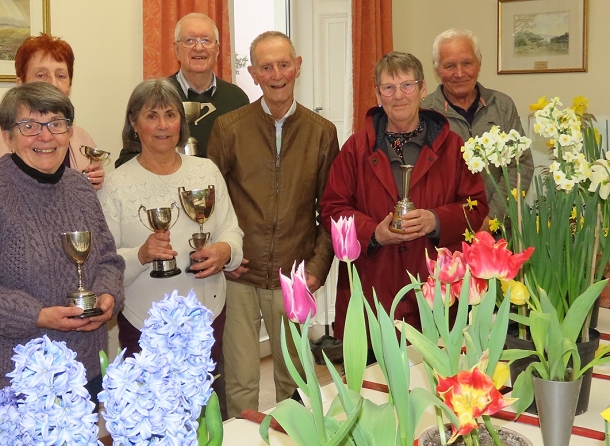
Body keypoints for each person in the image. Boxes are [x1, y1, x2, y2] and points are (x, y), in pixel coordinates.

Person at [0, 82, 125, 414]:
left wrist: (108, 295)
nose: (45, 136)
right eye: (29, 126)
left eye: (56, 123)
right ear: (8, 136)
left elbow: (108, 259)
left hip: (84, 368)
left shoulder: (80, 188)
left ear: (69, 133)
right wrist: (36, 316)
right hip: (7, 377)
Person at [207, 31, 339, 418]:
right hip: (239, 278)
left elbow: (330, 210)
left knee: (296, 383)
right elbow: (210, 205)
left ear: (297, 67)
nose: (277, 74)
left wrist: (316, 268)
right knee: (241, 384)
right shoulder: (229, 129)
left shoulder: (322, 132)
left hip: (294, 278)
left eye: (284, 64)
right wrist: (227, 256)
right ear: (253, 73)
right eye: (266, 67)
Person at [98, 78, 243, 416]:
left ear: (182, 121)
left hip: (206, 313)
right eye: (151, 116)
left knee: (202, 414)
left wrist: (224, 251)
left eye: (170, 115)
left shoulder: (205, 170)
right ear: (134, 124)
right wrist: (141, 254)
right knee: (151, 416)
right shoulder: (116, 184)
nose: (163, 125)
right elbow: (104, 262)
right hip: (142, 321)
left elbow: (231, 231)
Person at [320, 51, 488, 339]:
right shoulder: (356, 148)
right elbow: (332, 209)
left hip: (437, 288)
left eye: (407, 85)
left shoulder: (452, 146)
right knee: (374, 381)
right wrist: (374, 233)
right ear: (377, 95)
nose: (399, 96)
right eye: (389, 87)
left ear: (423, 89)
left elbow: (476, 207)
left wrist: (436, 220)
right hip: (373, 287)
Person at [0, 33, 105, 190]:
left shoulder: (81, 137)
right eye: (41, 75)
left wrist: (96, 187)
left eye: (61, 75)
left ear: (69, 86)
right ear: (20, 83)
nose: (53, 84)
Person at [423, 29, 533, 232]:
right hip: (447, 234)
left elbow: (521, 167)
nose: (459, 73)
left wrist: (491, 218)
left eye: (467, 63)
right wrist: (453, 221)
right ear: (437, 70)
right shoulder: (425, 113)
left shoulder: (502, 105)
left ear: (479, 63)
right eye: (449, 65)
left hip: (501, 232)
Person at [115, 12, 249, 166]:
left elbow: (246, 161)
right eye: (189, 40)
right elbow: (126, 161)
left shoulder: (237, 99)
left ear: (218, 49)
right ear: (176, 49)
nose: (199, 47)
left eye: (206, 40)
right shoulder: (155, 96)